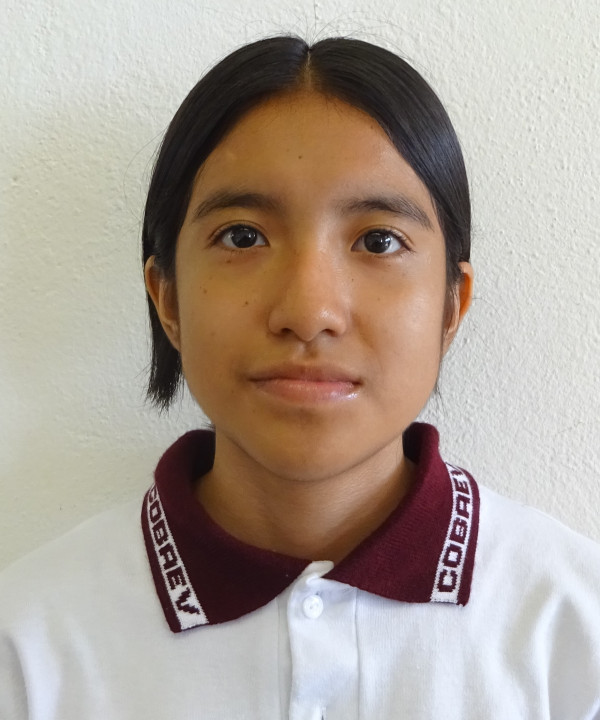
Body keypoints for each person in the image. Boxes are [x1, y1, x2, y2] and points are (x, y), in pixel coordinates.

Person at [1, 35, 599, 720]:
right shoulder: (27, 648)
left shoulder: (575, 633)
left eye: (378, 241)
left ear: (450, 307)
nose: (309, 312)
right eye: (242, 236)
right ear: (167, 299)